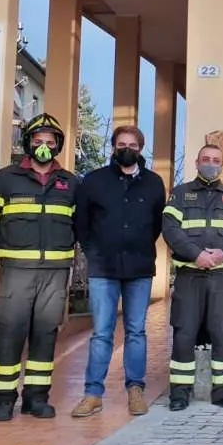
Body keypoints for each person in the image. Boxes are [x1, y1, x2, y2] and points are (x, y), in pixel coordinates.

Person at [70, 125, 167, 419]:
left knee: (136, 331)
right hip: (104, 267)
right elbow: (82, 223)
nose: (128, 148)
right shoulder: (94, 181)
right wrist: (94, 251)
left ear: (141, 148)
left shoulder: (153, 183)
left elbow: (156, 224)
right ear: (113, 147)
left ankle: (135, 390)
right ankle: (92, 394)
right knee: (101, 333)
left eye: (134, 144)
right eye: (122, 143)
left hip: (139, 266)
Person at [0, 113, 78, 421]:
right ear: (28, 143)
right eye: (38, 141)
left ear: (58, 146)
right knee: (10, 332)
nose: (43, 147)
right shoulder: (5, 179)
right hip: (17, 271)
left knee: (45, 333)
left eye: (49, 142)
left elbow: (81, 227)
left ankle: (36, 398)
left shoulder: (70, 183)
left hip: (54, 273)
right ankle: (3, 399)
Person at [161, 144, 223, 410]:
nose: (210, 163)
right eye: (206, 159)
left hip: (222, 277)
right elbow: (171, 231)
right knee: (184, 332)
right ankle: (179, 392)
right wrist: (196, 254)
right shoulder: (180, 195)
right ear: (196, 162)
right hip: (190, 275)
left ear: (221, 165)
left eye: (215, 160)